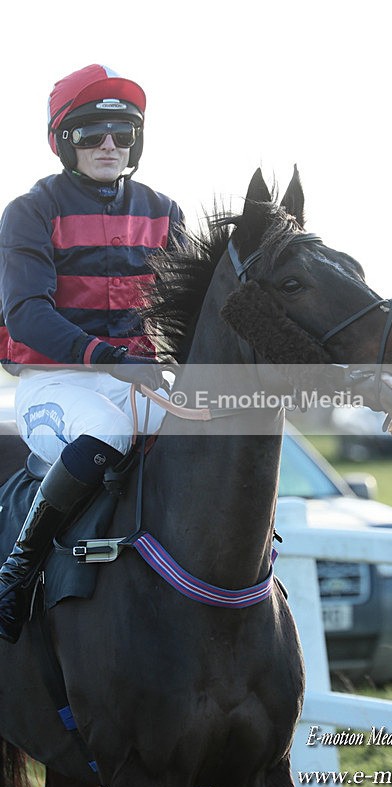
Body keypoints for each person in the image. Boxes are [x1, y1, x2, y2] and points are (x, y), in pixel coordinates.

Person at [0, 64, 185, 644]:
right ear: (65, 142)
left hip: (138, 379)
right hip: (54, 384)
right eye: (91, 134)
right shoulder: (31, 211)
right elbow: (26, 315)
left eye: (122, 134)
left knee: (218, 431)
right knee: (106, 427)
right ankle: (15, 574)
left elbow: (186, 316)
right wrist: (109, 358)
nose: (109, 146)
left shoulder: (165, 212)